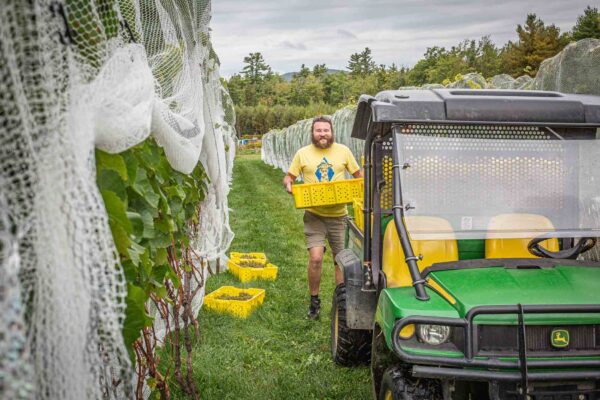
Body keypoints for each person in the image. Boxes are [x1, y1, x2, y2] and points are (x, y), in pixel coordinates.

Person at [283, 116, 362, 320]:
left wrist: (360, 188)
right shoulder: (303, 154)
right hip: (314, 215)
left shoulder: (343, 151)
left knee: (341, 261)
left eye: (326, 130)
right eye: (318, 130)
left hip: (339, 216)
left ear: (331, 131)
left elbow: (357, 175)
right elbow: (289, 177)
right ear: (313, 132)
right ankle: (314, 301)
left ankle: (341, 303)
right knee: (316, 258)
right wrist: (289, 184)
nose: (322, 134)